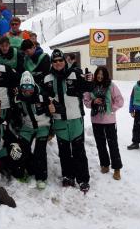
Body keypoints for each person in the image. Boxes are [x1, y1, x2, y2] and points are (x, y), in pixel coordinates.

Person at [44, 49, 93, 193]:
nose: (58, 63)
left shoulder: (75, 74)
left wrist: (89, 80)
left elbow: (88, 88)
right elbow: (43, 96)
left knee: (79, 151)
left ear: (64, 61)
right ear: (52, 63)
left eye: (60, 60)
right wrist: (49, 105)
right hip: (59, 120)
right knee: (64, 151)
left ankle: (83, 179)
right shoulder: (47, 79)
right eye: (55, 61)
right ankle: (68, 176)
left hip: (75, 119)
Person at [11, 72, 52, 189]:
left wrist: (52, 130)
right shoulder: (18, 98)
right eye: (24, 87)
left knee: (40, 151)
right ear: (20, 87)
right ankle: (25, 171)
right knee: (22, 148)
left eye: (30, 87)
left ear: (34, 86)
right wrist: (17, 125)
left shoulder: (42, 96)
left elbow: (52, 111)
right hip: (27, 127)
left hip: (42, 126)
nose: (27, 90)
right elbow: (16, 114)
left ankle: (41, 177)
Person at [83, 67, 124, 179]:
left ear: (106, 75)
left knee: (113, 145)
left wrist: (111, 109)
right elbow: (86, 101)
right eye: (98, 74)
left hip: (109, 121)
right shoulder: (91, 86)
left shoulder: (111, 86)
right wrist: (93, 102)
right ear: (95, 75)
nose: (100, 76)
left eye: (102, 74)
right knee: (100, 144)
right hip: (96, 120)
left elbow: (120, 100)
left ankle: (117, 168)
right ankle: (105, 164)